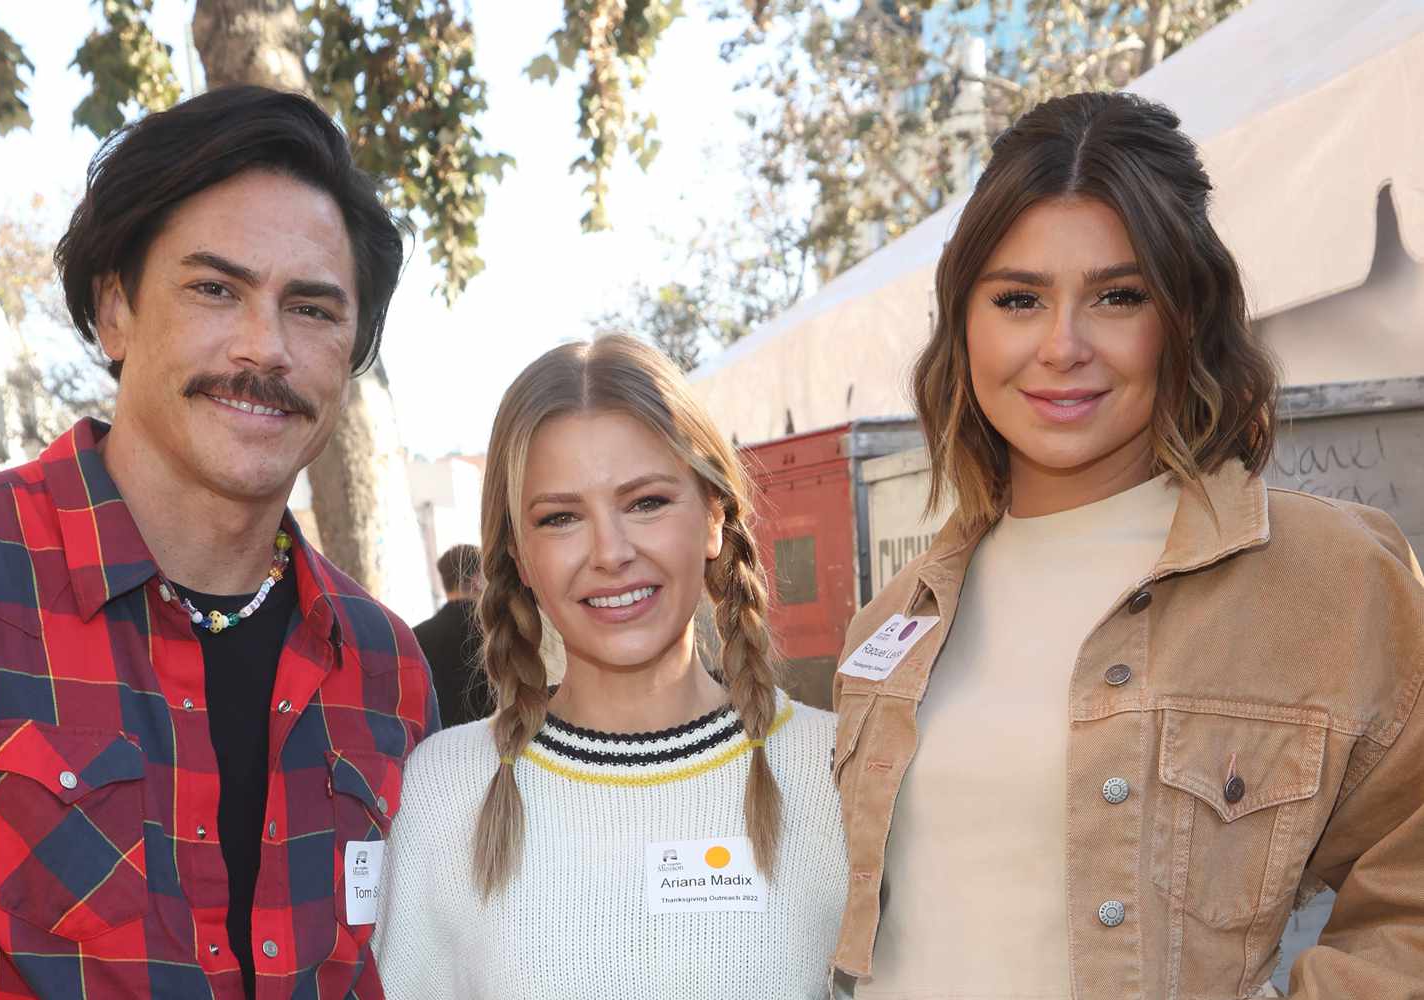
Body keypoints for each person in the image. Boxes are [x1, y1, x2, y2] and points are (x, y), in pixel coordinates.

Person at [832, 91, 1424, 999]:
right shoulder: (891, 622)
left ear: (1185, 315)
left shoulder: (1332, 580)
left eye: (1118, 295)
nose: (1062, 346)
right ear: (964, 321)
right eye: (1019, 299)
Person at [0, 86, 438, 999]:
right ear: (114, 308)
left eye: (313, 309)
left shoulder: (385, 668)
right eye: (215, 289)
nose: (264, 347)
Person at [374, 335, 846, 999]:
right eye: (562, 517)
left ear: (713, 514)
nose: (610, 552)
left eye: (645, 502)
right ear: (519, 552)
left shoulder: (838, 773)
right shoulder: (442, 791)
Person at [413, 543, 492, 726]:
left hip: (440, 744)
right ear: (476, 579)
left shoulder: (416, 637)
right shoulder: (497, 629)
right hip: (496, 741)